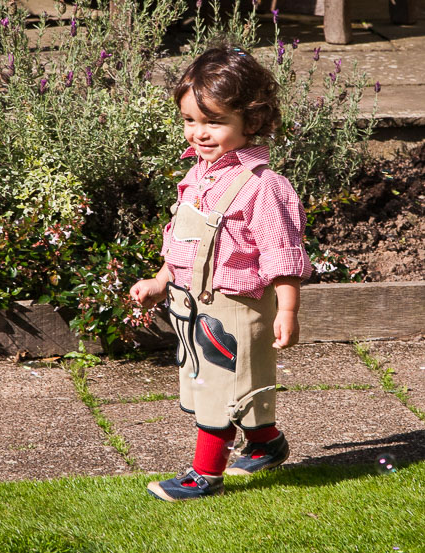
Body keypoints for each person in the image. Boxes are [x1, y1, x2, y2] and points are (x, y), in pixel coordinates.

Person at [130, 45, 312, 502]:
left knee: (221, 390)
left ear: (250, 121)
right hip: (192, 303)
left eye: (213, 122)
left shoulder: (263, 186)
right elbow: (185, 240)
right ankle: (266, 442)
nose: (199, 133)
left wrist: (286, 309)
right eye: (190, 121)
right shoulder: (199, 175)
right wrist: (160, 278)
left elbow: (281, 252)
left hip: (236, 306)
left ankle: (204, 475)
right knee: (208, 381)